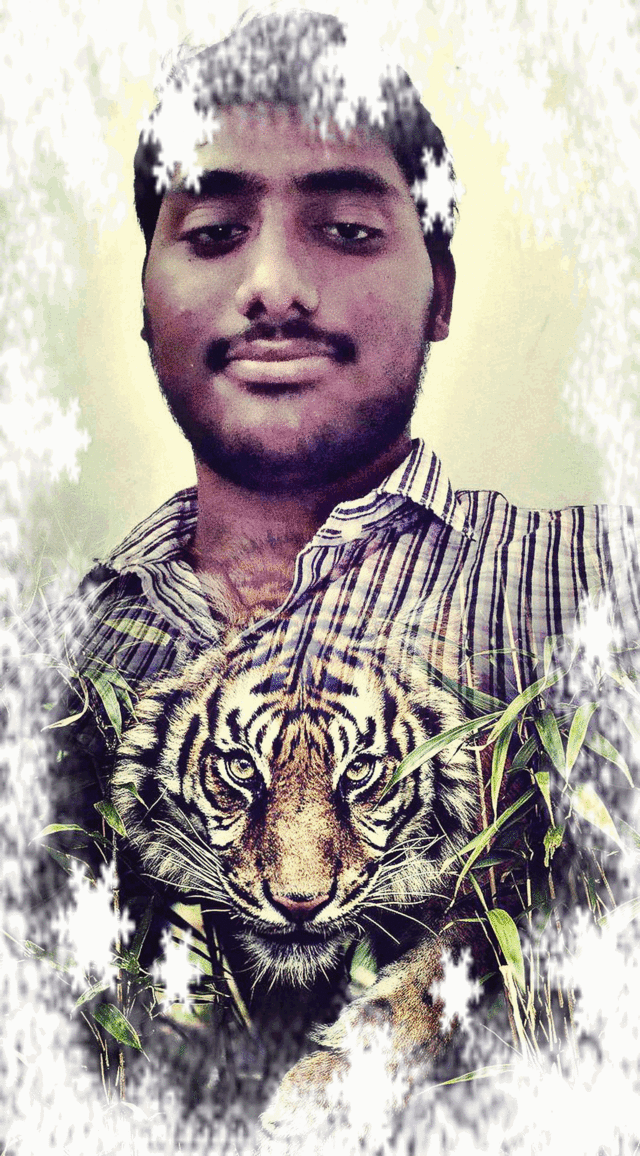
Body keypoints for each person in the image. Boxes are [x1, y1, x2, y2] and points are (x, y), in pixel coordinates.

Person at [44, 7, 639, 713]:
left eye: (349, 230)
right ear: (144, 303)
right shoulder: (35, 669)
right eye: (214, 232)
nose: (274, 287)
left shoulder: (610, 590)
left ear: (440, 295)